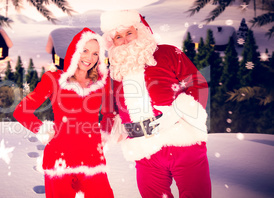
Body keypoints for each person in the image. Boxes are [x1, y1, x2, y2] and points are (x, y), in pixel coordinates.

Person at [100, 10, 211, 198]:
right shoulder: (114, 72)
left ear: (140, 31)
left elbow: (198, 85)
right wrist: (102, 137)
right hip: (145, 152)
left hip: (183, 142)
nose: (125, 40)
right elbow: (110, 112)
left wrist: (176, 113)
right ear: (112, 42)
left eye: (129, 33)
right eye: (118, 36)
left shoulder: (168, 53)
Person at [13, 27, 115, 198]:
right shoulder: (53, 80)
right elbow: (21, 112)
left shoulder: (101, 83)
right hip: (59, 159)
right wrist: (43, 131)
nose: (90, 58)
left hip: (92, 158)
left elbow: (110, 114)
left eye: (96, 54)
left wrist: (102, 135)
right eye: (85, 51)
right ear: (75, 52)